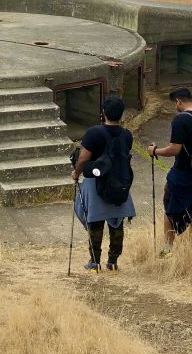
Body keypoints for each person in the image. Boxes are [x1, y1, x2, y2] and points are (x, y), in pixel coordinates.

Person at [147, 88, 192, 254]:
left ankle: (168, 249)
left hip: (183, 173)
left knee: (171, 209)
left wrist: (155, 151)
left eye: (175, 104)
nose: (175, 107)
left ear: (179, 101)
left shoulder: (180, 120)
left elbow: (174, 149)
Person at [71, 95, 136, 272]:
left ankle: (94, 261)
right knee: (117, 223)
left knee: (96, 222)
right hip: (120, 181)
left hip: (96, 182)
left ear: (103, 113)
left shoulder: (94, 133)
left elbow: (84, 158)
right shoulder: (127, 135)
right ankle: (113, 262)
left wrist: (76, 173)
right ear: (121, 115)